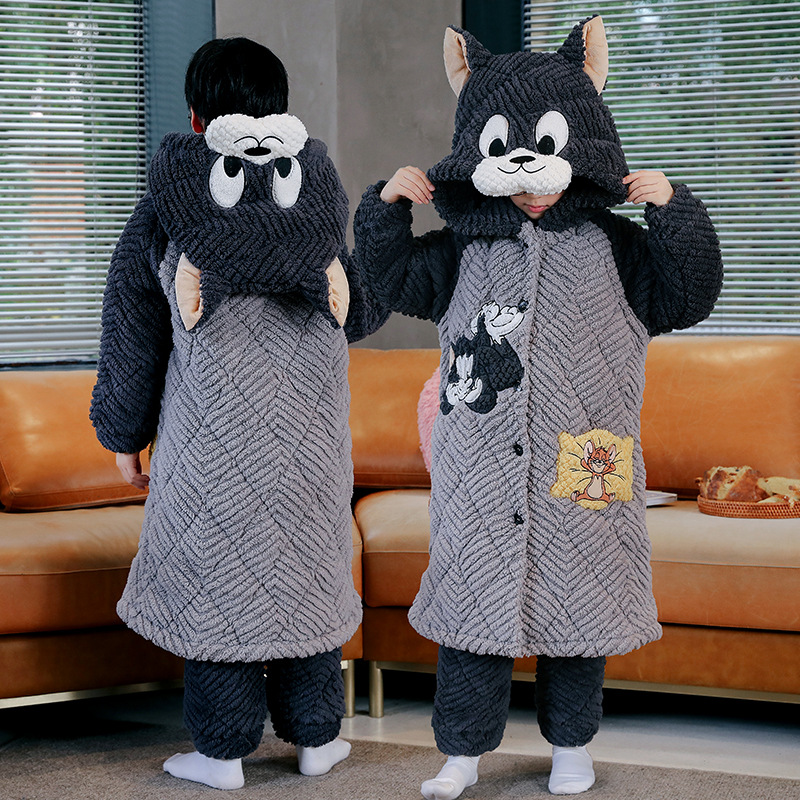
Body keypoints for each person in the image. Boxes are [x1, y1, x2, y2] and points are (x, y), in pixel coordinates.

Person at [352, 17, 722, 799]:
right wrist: (385, 211)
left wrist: (674, 211)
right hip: (480, 470)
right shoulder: (462, 251)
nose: (528, 179)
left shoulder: (618, 249)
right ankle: (461, 753)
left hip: (583, 465)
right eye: (508, 165)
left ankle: (571, 748)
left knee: (579, 610)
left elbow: (687, 294)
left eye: (545, 160)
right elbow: (391, 281)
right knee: (471, 614)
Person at [91, 37, 387, 791]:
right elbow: (356, 313)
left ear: (195, 118)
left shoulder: (168, 206)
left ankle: (221, 754)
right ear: (281, 112)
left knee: (217, 582)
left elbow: (132, 325)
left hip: (212, 445)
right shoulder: (315, 203)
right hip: (312, 445)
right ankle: (316, 740)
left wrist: (125, 434)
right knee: (306, 578)